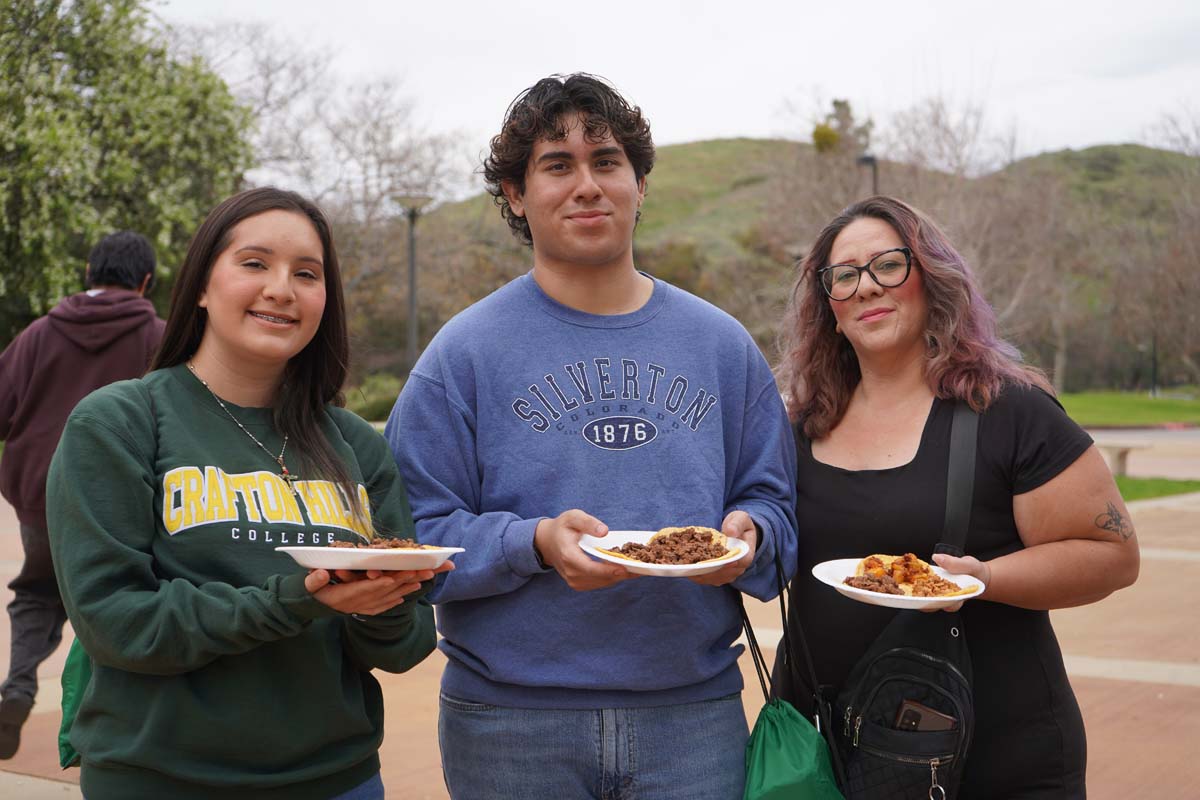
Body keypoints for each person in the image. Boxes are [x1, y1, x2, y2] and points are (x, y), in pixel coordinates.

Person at [386, 73, 798, 799]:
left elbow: (776, 505)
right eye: (557, 165)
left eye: (606, 161)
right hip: (507, 724)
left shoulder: (723, 349)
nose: (587, 185)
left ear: (639, 184)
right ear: (516, 194)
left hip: (693, 718)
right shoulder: (462, 356)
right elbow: (413, 534)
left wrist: (749, 538)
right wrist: (533, 543)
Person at [46, 187, 446, 800]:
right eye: (255, 263)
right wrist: (297, 600)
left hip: (339, 780)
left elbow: (404, 648)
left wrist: (386, 599)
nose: (282, 289)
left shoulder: (355, 445)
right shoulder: (120, 422)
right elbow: (116, 622)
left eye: (306, 274)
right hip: (162, 781)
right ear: (202, 285)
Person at [772, 195, 1140, 798]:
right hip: (830, 756)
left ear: (931, 279)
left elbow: (1112, 555)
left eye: (888, 265)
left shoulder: (1007, 412)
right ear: (829, 307)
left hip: (994, 758)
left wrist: (984, 579)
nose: (866, 288)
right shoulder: (800, 426)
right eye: (844, 276)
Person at [0, 231, 164, 759]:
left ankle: (19, 687)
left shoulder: (37, 335)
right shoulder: (160, 337)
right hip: (125, 504)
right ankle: (104, 733)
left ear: (89, 273)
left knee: (38, 593)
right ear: (145, 281)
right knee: (121, 605)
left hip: (41, 498)